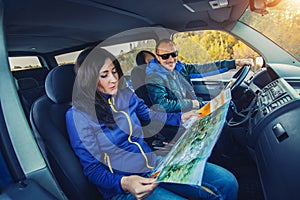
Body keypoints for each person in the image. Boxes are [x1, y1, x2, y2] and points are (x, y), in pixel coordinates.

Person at [66, 46, 238, 200]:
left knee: (227, 182)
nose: (113, 79)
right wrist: (125, 183)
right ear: (88, 80)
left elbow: (148, 114)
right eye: (104, 75)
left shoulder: (126, 94)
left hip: (154, 165)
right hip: (123, 186)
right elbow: (92, 169)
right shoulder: (78, 116)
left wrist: (180, 118)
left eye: (114, 71)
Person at [145, 38, 253, 113]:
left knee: (227, 106)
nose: (171, 59)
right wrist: (192, 104)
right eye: (165, 56)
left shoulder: (180, 67)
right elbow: (162, 106)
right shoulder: (154, 77)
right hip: (178, 116)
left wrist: (234, 63)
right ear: (158, 57)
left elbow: (204, 68)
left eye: (174, 54)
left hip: (192, 108)